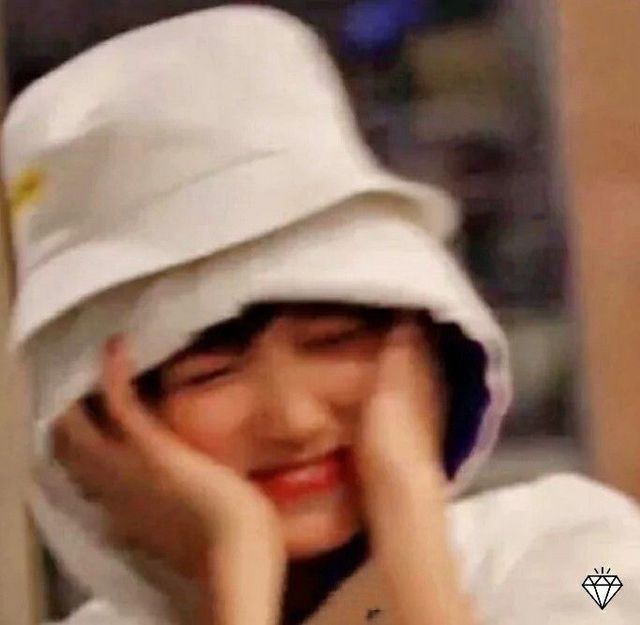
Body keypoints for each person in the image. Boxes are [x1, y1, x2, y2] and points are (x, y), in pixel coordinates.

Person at [3, 6, 640, 625]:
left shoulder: (589, 557)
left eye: (333, 341)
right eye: (211, 374)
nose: (295, 421)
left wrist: (411, 537)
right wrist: (236, 567)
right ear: (97, 425)